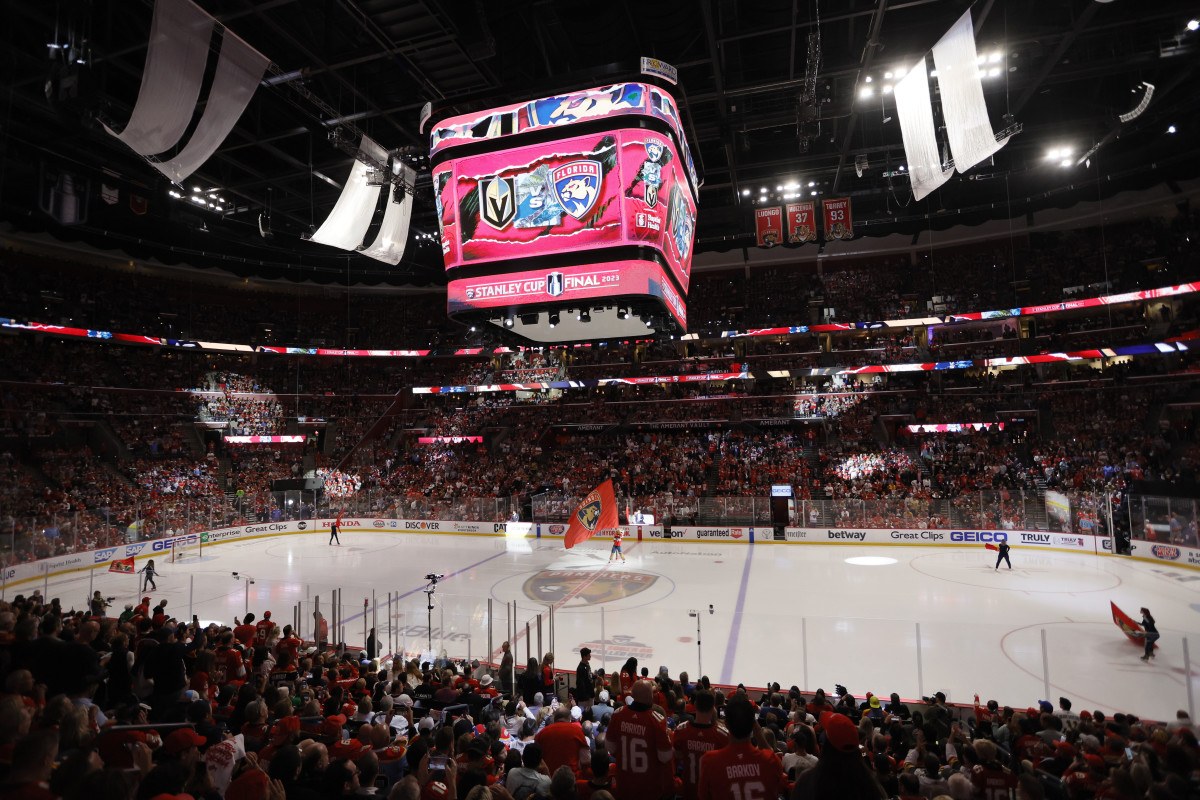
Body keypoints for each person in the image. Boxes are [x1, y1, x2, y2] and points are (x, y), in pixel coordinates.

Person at [697, 695, 784, 800]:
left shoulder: (710, 761)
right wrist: (758, 732)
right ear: (754, 724)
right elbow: (781, 785)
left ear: (726, 724)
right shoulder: (771, 760)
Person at [607, 679, 674, 800]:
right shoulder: (657, 720)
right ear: (649, 696)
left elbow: (610, 747)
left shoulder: (618, 714)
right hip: (648, 789)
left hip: (624, 785)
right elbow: (665, 757)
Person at [674, 689, 730, 800]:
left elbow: (676, 759)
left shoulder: (681, 730)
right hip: (711, 795)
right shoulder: (723, 736)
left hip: (688, 792)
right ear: (713, 707)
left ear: (695, 704)